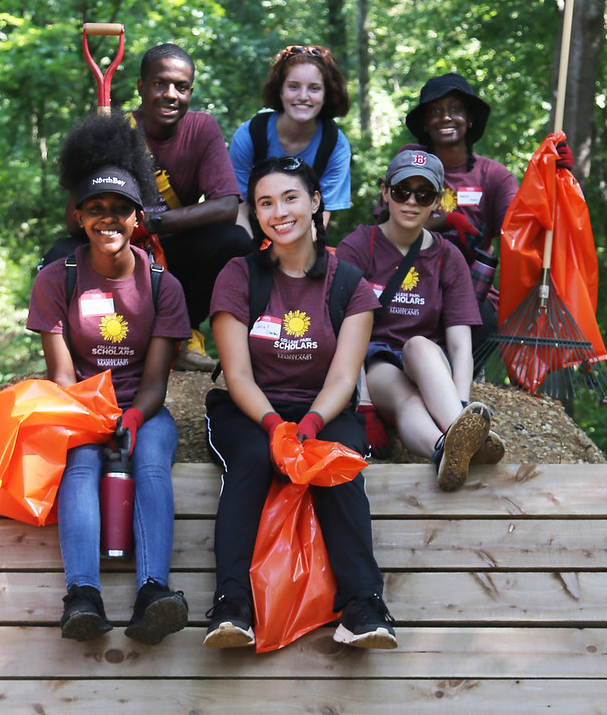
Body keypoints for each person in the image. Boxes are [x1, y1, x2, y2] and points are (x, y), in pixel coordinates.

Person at [203, 155, 397, 651]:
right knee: (249, 459)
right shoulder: (237, 275)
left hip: (322, 409)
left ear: (315, 203)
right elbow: (238, 373)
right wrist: (273, 427)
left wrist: (309, 428)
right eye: (265, 202)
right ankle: (231, 604)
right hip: (251, 410)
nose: (279, 211)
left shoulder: (349, 284)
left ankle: (363, 605)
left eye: (290, 198)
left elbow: (342, 377)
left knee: (338, 464)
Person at [27, 117, 192, 644]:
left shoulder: (162, 283)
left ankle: (153, 593)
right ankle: (83, 597)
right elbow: (59, 374)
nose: (108, 219)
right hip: (78, 404)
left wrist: (137, 416)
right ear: (79, 216)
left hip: (143, 405)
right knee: (79, 464)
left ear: (138, 217)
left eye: (120, 209)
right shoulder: (58, 279)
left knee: (151, 461)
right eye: (96, 209)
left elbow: (156, 378)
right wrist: (90, 420)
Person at [337, 149, 503, 491]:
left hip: (427, 361)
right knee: (406, 399)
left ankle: (460, 429)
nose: (411, 202)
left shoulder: (447, 255)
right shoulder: (359, 245)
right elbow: (343, 330)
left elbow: (459, 345)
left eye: (424, 194)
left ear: (438, 201)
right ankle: (444, 451)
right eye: (402, 191)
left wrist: (460, 402)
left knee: (420, 346)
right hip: (376, 362)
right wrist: (364, 404)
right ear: (385, 192)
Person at [130, 43, 252, 372]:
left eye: (181, 87)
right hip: (122, 254)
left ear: (190, 91)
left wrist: (153, 222)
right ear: (141, 86)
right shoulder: (117, 129)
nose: (171, 94)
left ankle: (186, 333)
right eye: (160, 84)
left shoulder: (201, 128)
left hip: (172, 250)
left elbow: (227, 206)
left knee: (236, 240)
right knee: (62, 255)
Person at [398, 73, 520, 358]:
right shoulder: (411, 160)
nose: (446, 118)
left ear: (470, 118)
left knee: (482, 323)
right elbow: (387, 226)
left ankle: (459, 394)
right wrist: (445, 220)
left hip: (472, 290)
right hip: (411, 282)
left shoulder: (494, 176)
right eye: (435, 111)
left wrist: (552, 176)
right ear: (425, 124)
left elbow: (519, 231)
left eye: (455, 109)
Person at [229, 44, 352, 232]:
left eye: (314, 88)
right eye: (293, 87)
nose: (303, 96)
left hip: (303, 234)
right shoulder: (250, 135)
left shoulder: (335, 145)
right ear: (280, 91)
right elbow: (240, 208)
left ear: (326, 94)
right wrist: (251, 256)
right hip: (252, 232)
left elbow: (322, 215)